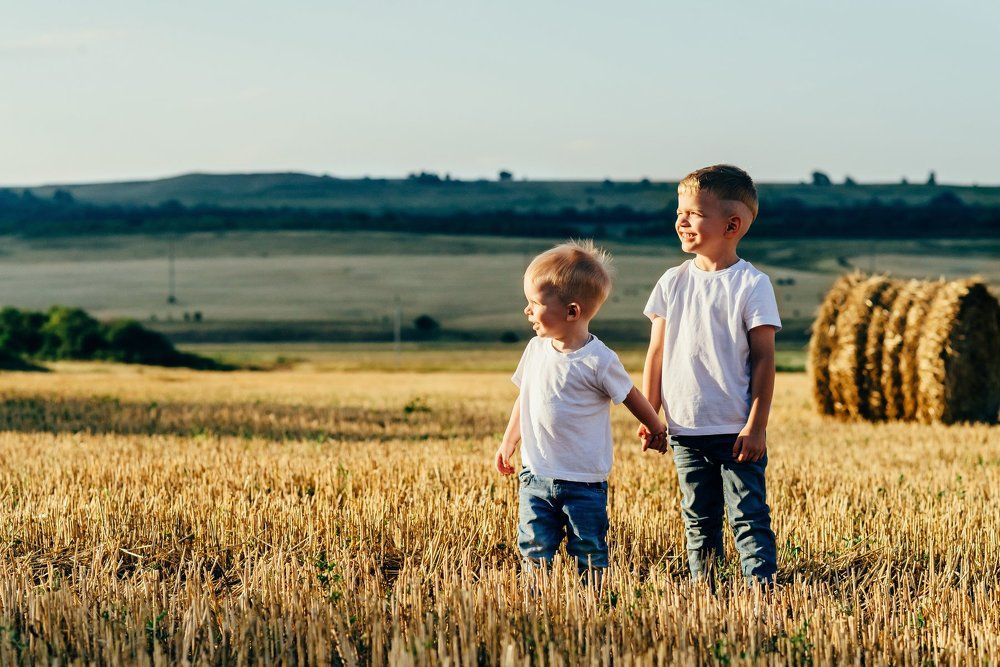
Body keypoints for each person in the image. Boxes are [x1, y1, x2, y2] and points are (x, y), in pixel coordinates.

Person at [638, 165, 781, 584]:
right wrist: (651, 416)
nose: (680, 220)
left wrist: (757, 426)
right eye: (679, 211)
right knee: (699, 520)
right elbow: (657, 353)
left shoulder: (752, 284)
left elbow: (764, 360)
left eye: (693, 213)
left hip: (736, 430)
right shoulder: (671, 282)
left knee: (748, 518)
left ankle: (762, 593)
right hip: (685, 429)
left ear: (732, 225)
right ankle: (708, 593)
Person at [495, 240, 667, 579]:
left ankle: (593, 599)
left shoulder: (599, 360)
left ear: (572, 312)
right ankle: (536, 599)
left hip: (584, 482)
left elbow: (631, 395)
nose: (527, 311)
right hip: (536, 474)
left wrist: (655, 426)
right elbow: (524, 399)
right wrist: (508, 442)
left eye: (535, 303)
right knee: (533, 546)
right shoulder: (535, 350)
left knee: (588, 548)